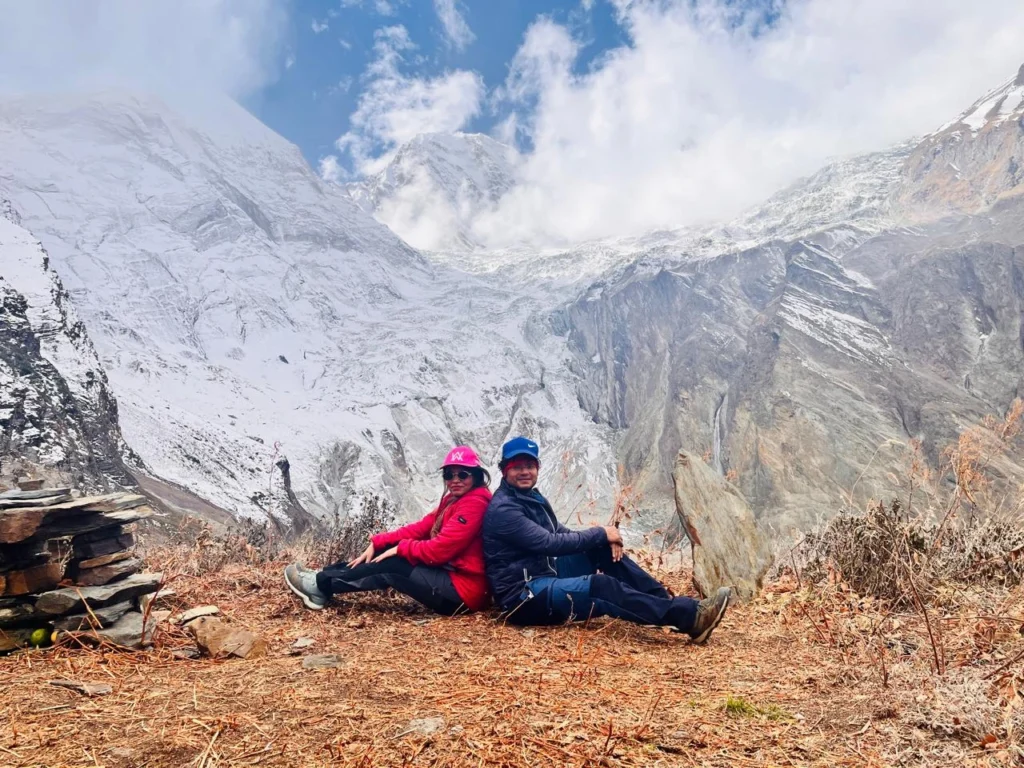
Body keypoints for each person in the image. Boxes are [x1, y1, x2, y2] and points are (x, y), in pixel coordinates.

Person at [482, 436, 731, 642]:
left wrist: (602, 539)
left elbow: (560, 532)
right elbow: (550, 543)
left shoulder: (530, 498)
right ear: (505, 470)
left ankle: (663, 602)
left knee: (599, 550)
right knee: (600, 588)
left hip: (544, 575)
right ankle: (692, 619)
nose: (525, 472)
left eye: (529, 465)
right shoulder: (505, 509)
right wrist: (602, 532)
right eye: (517, 466)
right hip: (523, 597)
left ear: (537, 468)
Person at [284, 446, 492, 616]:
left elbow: (440, 550)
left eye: (462, 474)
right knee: (385, 552)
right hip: (450, 578)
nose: (455, 480)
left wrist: (401, 548)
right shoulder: (454, 499)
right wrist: (380, 541)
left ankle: (318, 587)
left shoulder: (474, 504)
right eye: (449, 474)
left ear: (476, 476)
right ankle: (323, 576)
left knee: (393, 565)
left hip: (462, 594)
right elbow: (422, 527)